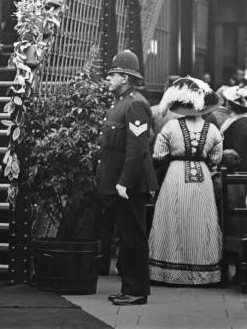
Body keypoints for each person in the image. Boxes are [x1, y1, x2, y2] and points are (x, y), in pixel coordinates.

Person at [148, 77, 224, 285]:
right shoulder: (213, 130)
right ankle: (202, 271)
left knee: (173, 217)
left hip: (175, 174)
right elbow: (216, 158)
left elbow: (159, 154)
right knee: (201, 220)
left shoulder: (171, 127)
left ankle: (168, 270)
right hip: (202, 176)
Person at [97, 49, 158, 306]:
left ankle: (136, 290)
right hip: (123, 182)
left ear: (124, 77)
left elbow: (137, 149)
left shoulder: (134, 104)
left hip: (130, 184)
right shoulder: (123, 102)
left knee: (133, 237)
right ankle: (130, 287)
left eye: (113, 75)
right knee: (126, 235)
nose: (109, 79)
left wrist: (123, 182)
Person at [219, 86, 247, 171]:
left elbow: (237, 152)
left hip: (240, 170)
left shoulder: (241, 124)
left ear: (230, 105)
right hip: (244, 168)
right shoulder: (245, 121)